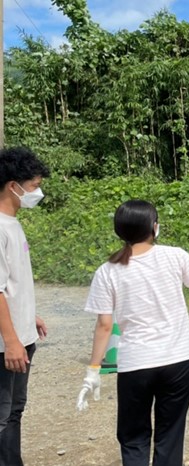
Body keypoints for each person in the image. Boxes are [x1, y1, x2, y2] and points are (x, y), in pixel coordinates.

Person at [77, 200, 189, 465]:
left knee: (134, 437)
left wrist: (93, 369)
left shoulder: (107, 271)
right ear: (154, 227)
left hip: (136, 364)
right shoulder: (175, 255)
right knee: (170, 434)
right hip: (178, 361)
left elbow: (104, 325)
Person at [0, 147, 49, 466]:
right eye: (33, 186)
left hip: (21, 335)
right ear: (12, 185)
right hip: (7, 344)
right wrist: (12, 340)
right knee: (3, 415)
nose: (37, 192)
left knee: (14, 410)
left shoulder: (12, 224)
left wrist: (29, 315)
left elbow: (11, 284)